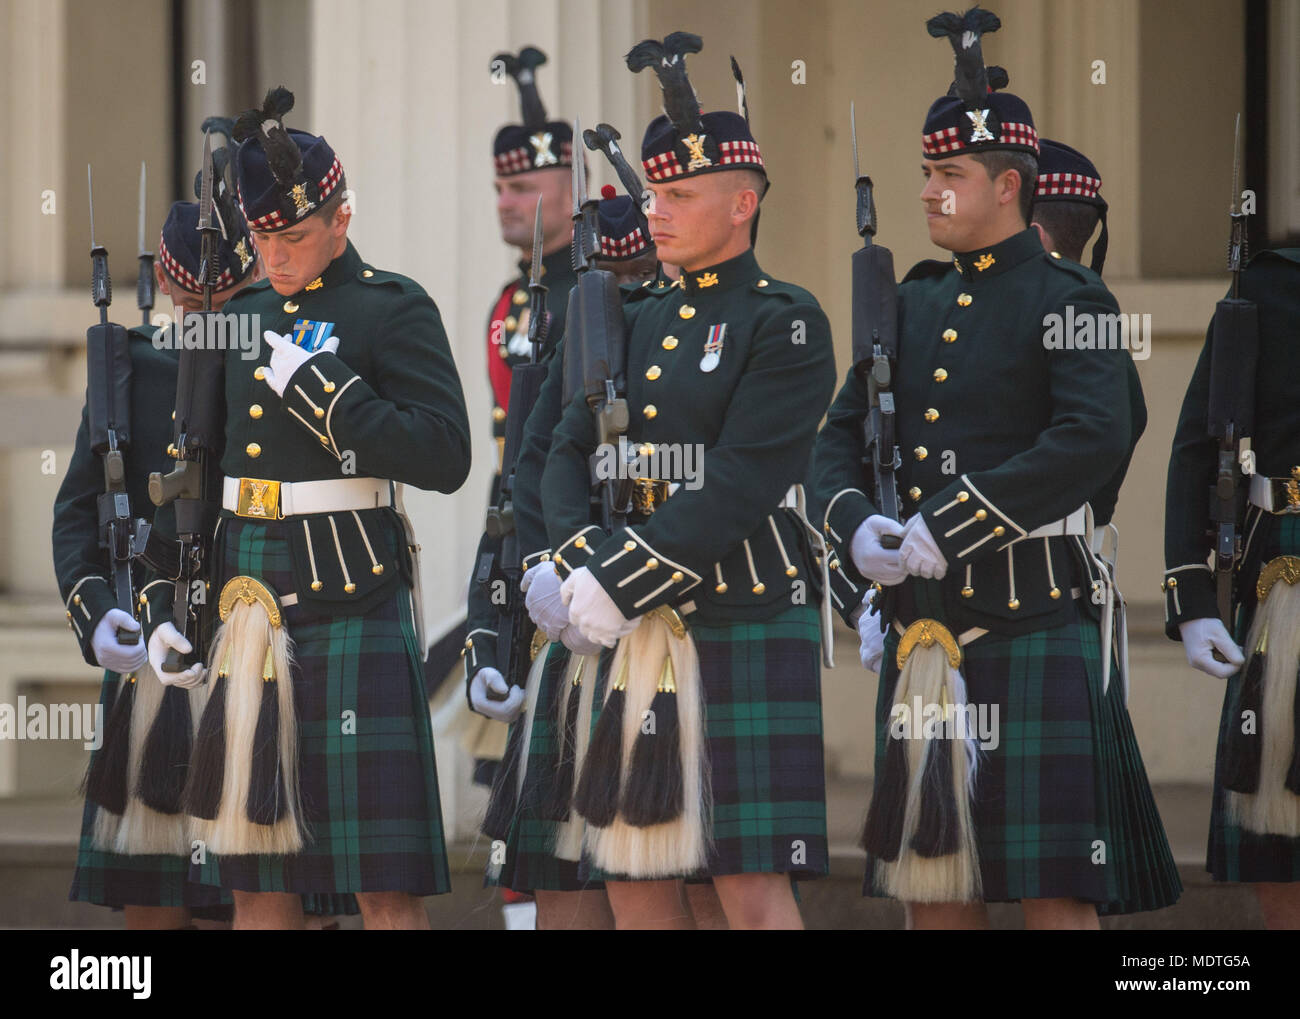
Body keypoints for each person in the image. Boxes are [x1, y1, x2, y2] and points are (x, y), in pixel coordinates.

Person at [811, 7, 1180, 929]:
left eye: (949, 175)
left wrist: (953, 520)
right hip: (925, 627)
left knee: (1055, 893)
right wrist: (859, 529)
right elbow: (837, 440)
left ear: (1009, 185)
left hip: (1031, 618)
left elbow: (1095, 437)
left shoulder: (1075, 297)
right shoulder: (910, 299)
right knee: (938, 892)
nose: (929, 193)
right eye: (926, 174)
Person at [146, 87, 471, 930]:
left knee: (379, 879)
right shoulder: (239, 315)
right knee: (257, 875)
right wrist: (168, 599)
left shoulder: (392, 307)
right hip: (244, 591)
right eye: (262, 238)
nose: (276, 256)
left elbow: (445, 454)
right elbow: (193, 466)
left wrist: (327, 393)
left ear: (341, 215)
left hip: (350, 588)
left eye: (292, 236)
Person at [541, 32, 837, 930]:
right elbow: (565, 451)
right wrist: (575, 560)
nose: (654, 212)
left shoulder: (784, 323)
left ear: (742, 203)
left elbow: (740, 486)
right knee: (635, 876)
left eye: (677, 195)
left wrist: (612, 580)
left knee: (745, 884)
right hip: (628, 619)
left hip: (738, 613)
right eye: (655, 191)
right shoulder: (631, 314)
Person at [55, 130, 257, 929]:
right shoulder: (134, 373)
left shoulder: (284, 365)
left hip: (261, 642)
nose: (204, 316)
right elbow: (79, 510)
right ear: (173, 296)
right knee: (154, 901)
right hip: (152, 636)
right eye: (192, 303)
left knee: (275, 898)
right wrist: (97, 606)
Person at [1164, 243, 1300, 929]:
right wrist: (1191, 599)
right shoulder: (1269, 286)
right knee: (1280, 843)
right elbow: (1199, 442)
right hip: (1282, 574)